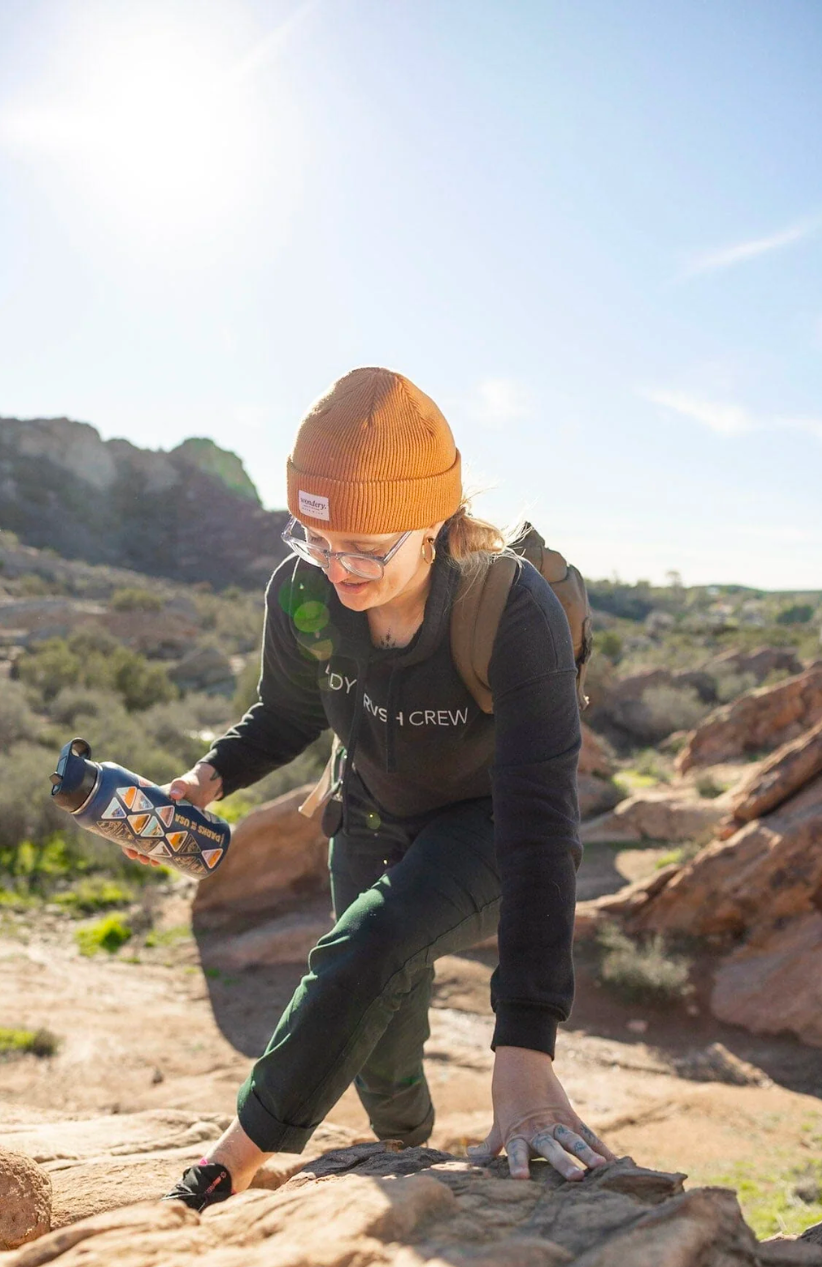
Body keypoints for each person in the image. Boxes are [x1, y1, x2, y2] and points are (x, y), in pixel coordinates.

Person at [130, 367, 614, 1210]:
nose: (339, 570)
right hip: (372, 813)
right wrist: (209, 778)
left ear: (434, 522)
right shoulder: (306, 592)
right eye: (317, 541)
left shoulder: (511, 607)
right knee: (383, 1054)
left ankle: (225, 1165)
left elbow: (542, 826)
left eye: (366, 549)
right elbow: (284, 711)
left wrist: (526, 1056)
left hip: (487, 819)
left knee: (370, 941)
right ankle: (407, 1153)